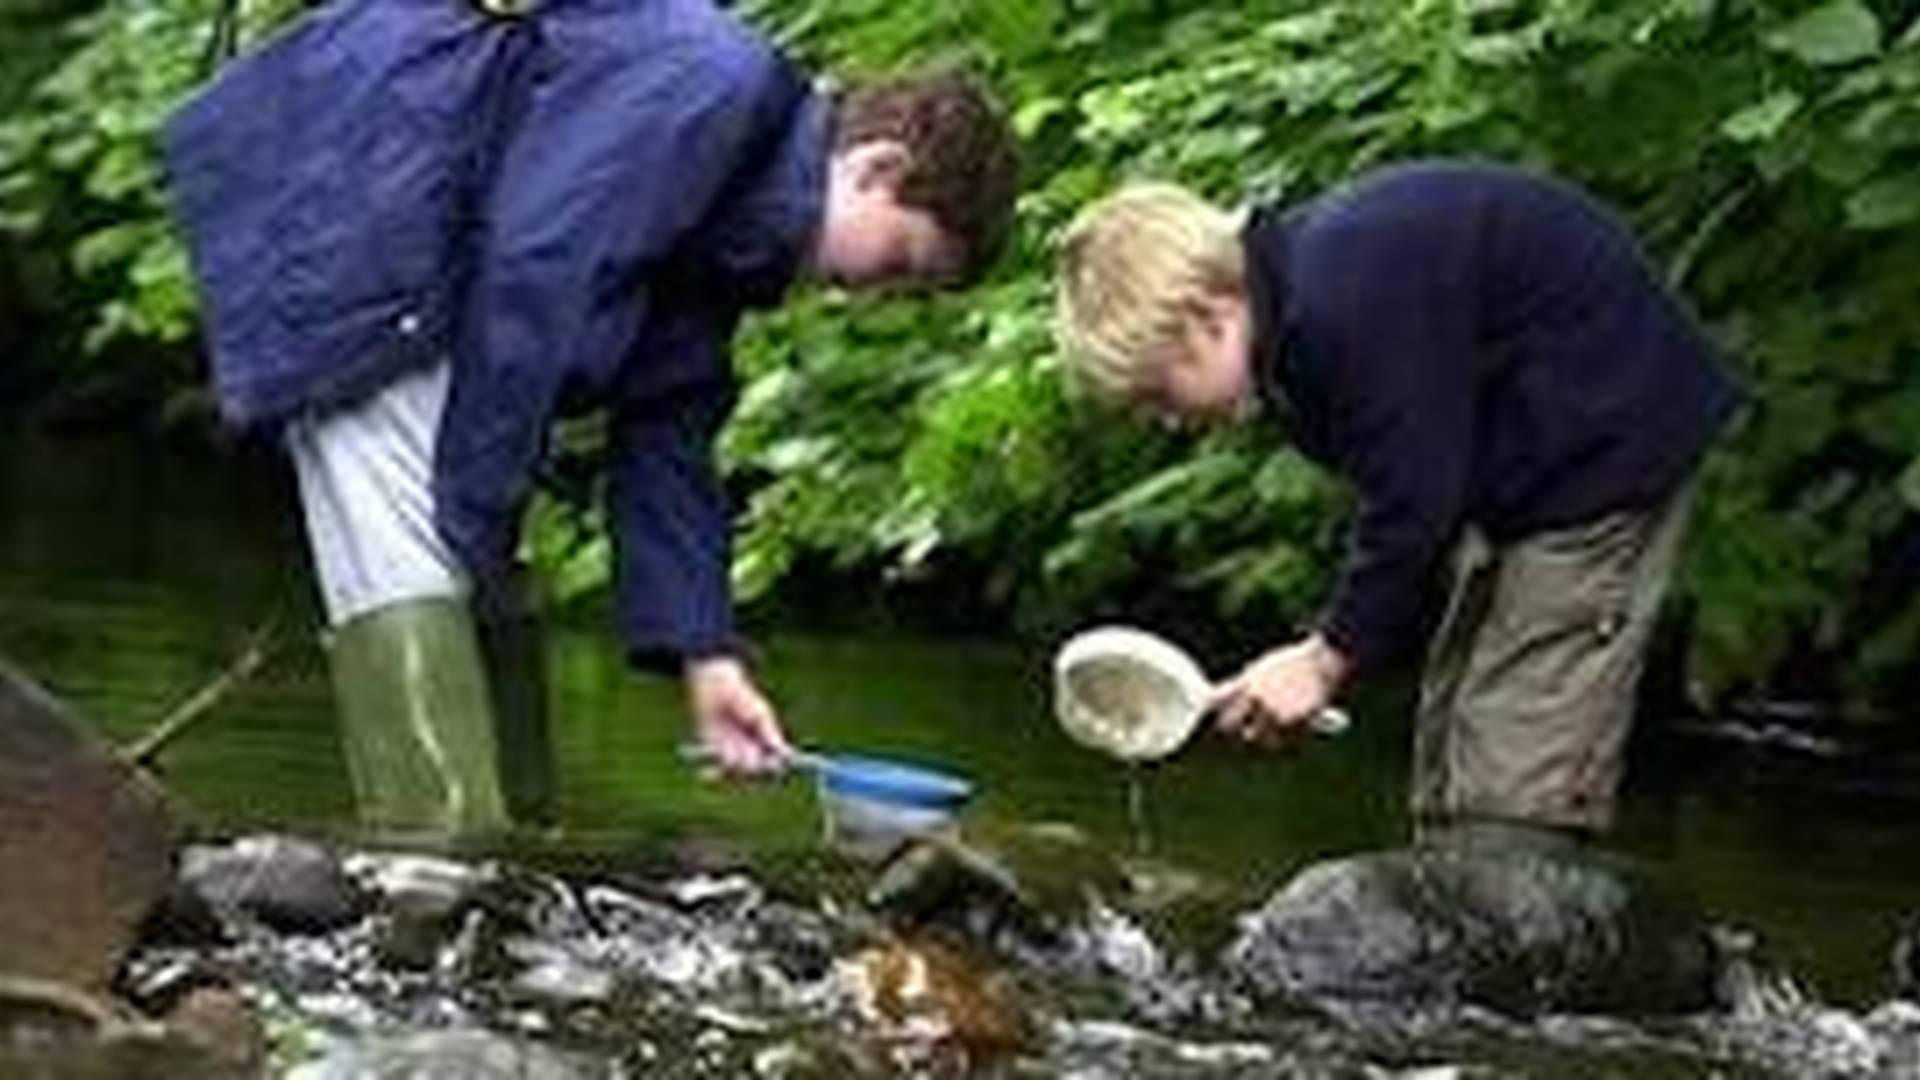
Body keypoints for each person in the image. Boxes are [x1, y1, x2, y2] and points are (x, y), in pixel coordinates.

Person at [161, 0, 1019, 835]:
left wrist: (705, 657)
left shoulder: (735, 227)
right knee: (412, 545)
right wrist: (477, 512)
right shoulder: (712, 83)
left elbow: (668, 439)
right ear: (876, 168)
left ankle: (514, 863)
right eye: (902, 260)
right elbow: (541, 267)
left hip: (435, 255)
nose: (881, 293)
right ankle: (435, 866)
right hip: (357, 209)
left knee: (466, 544)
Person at [1053, 163, 1739, 846]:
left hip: (1607, 446)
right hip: (1520, 479)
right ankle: (1461, 880)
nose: (1167, 421)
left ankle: (1515, 904)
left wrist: (1325, 660)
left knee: (1514, 764)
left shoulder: (1337, 298)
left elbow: (1415, 502)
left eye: (1159, 395)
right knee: (1451, 741)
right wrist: (1329, 653)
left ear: (1206, 315)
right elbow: (1407, 504)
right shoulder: (1293, 329)